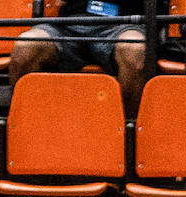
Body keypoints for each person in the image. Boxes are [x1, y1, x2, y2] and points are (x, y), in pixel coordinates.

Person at [9, 1, 147, 118]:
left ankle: (126, 131)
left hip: (123, 22)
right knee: (26, 47)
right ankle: (29, 128)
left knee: (135, 49)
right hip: (69, 22)